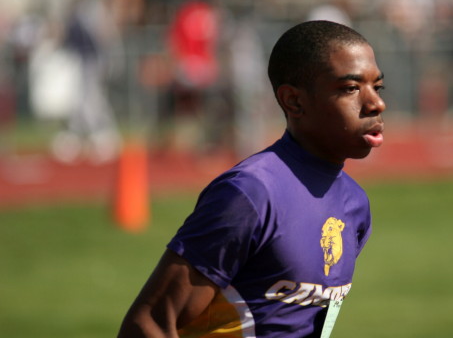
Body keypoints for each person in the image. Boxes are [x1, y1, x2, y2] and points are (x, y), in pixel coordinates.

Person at [117, 20, 386, 337]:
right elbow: (150, 323)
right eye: (351, 88)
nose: (376, 103)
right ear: (294, 101)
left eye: (377, 87)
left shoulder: (355, 205)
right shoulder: (250, 193)